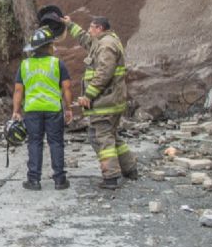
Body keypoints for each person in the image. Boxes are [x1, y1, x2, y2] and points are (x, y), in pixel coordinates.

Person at [62, 11, 137, 190]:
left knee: (101, 137)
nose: (89, 31)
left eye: (91, 28)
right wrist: (70, 25)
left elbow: (104, 72)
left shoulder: (106, 46)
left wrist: (88, 95)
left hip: (105, 102)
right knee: (112, 136)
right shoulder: (103, 41)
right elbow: (85, 40)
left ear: (99, 28)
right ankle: (130, 168)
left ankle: (111, 177)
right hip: (111, 101)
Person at [11, 26, 73, 190]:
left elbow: (18, 90)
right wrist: (68, 109)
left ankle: (34, 180)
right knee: (56, 143)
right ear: (48, 46)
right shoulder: (57, 63)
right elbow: (66, 88)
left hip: (32, 110)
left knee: (34, 143)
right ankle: (60, 180)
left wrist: (16, 111)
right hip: (53, 109)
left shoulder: (25, 65)